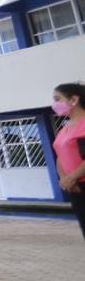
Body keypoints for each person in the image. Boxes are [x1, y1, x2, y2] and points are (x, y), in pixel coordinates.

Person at [51, 82, 85, 242]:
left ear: (73, 100)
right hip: (75, 188)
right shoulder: (65, 129)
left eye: (58, 99)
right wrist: (64, 179)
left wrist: (72, 178)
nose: (54, 104)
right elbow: (61, 156)